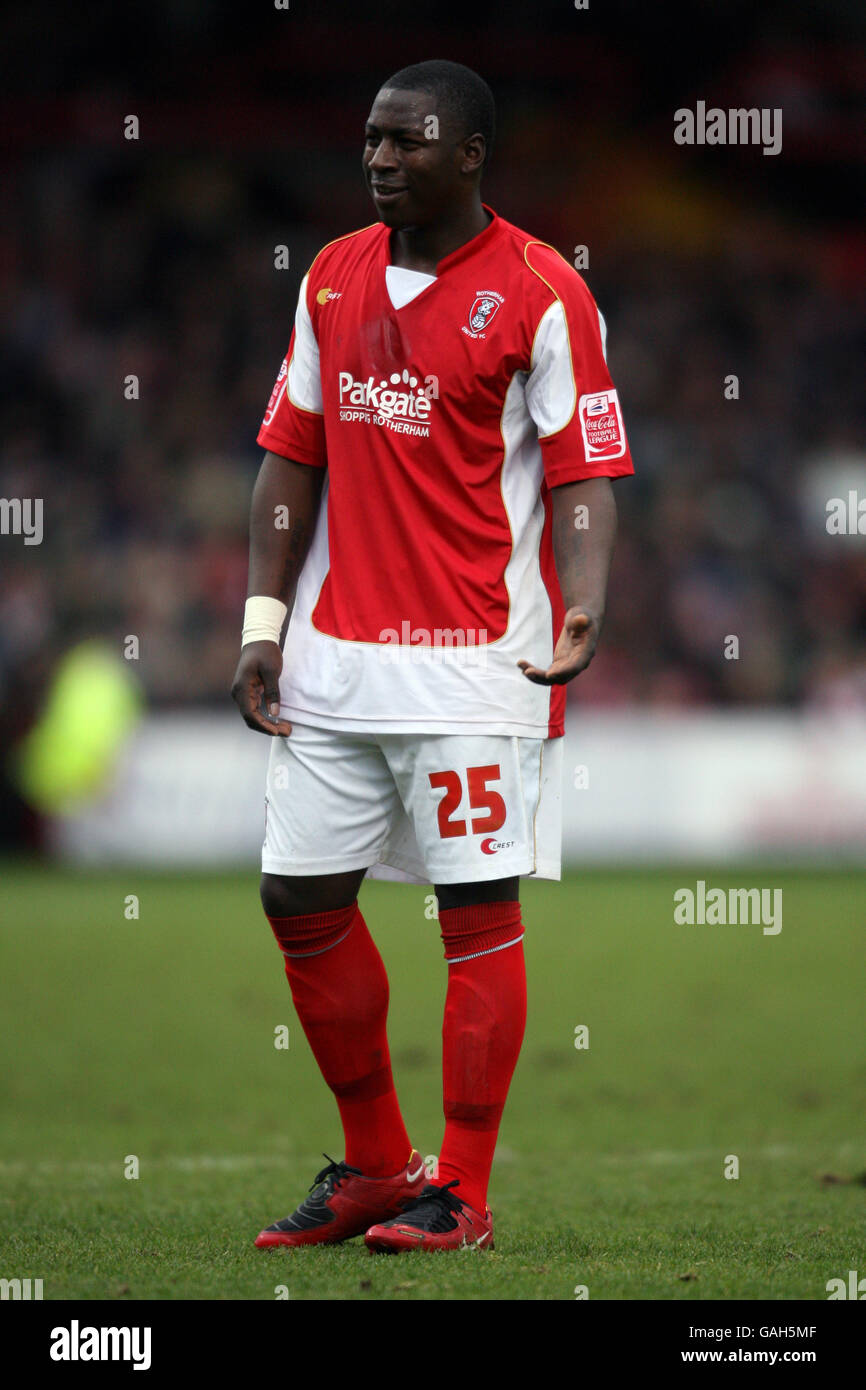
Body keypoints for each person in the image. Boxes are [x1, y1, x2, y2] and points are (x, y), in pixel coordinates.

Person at [231, 59, 633, 1253]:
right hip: (332, 659)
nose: (378, 158)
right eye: (369, 138)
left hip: (475, 662)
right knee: (297, 895)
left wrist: (583, 605)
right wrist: (262, 624)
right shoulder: (330, 276)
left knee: (474, 912)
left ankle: (459, 1189)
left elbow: (584, 471)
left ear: (468, 154)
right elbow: (288, 455)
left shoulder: (542, 289)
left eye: (405, 139)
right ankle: (372, 1164)